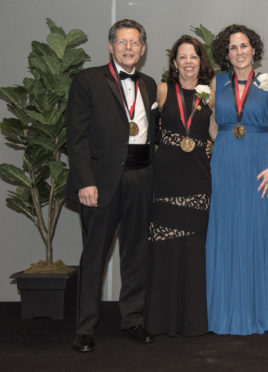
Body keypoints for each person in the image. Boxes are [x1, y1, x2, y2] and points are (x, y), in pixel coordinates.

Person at [65, 19, 157, 352]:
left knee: (136, 255)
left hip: (141, 179)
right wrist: (84, 182)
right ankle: (85, 328)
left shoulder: (148, 83)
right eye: (122, 42)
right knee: (94, 257)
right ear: (110, 46)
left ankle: (132, 319)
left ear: (143, 49)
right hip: (101, 184)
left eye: (135, 43)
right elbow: (76, 138)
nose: (129, 47)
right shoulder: (88, 80)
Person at [205, 24, 268, 335]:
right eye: (233, 47)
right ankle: (222, 315)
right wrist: (221, 144)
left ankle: (256, 315)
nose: (239, 52)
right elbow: (214, 125)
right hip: (224, 164)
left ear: (254, 49)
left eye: (244, 46)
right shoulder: (217, 82)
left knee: (254, 233)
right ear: (226, 53)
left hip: (258, 164)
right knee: (224, 233)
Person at [145, 36, 214, 337]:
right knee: (164, 247)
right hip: (167, 175)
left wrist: (214, 146)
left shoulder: (210, 95)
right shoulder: (161, 91)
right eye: (182, 57)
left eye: (194, 56)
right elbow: (146, 132)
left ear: (201, 61)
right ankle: (161, 321)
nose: (188, 62)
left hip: (199, 175)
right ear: (174, 63)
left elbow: (216, 132)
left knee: (194, 249)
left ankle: (194, 322)